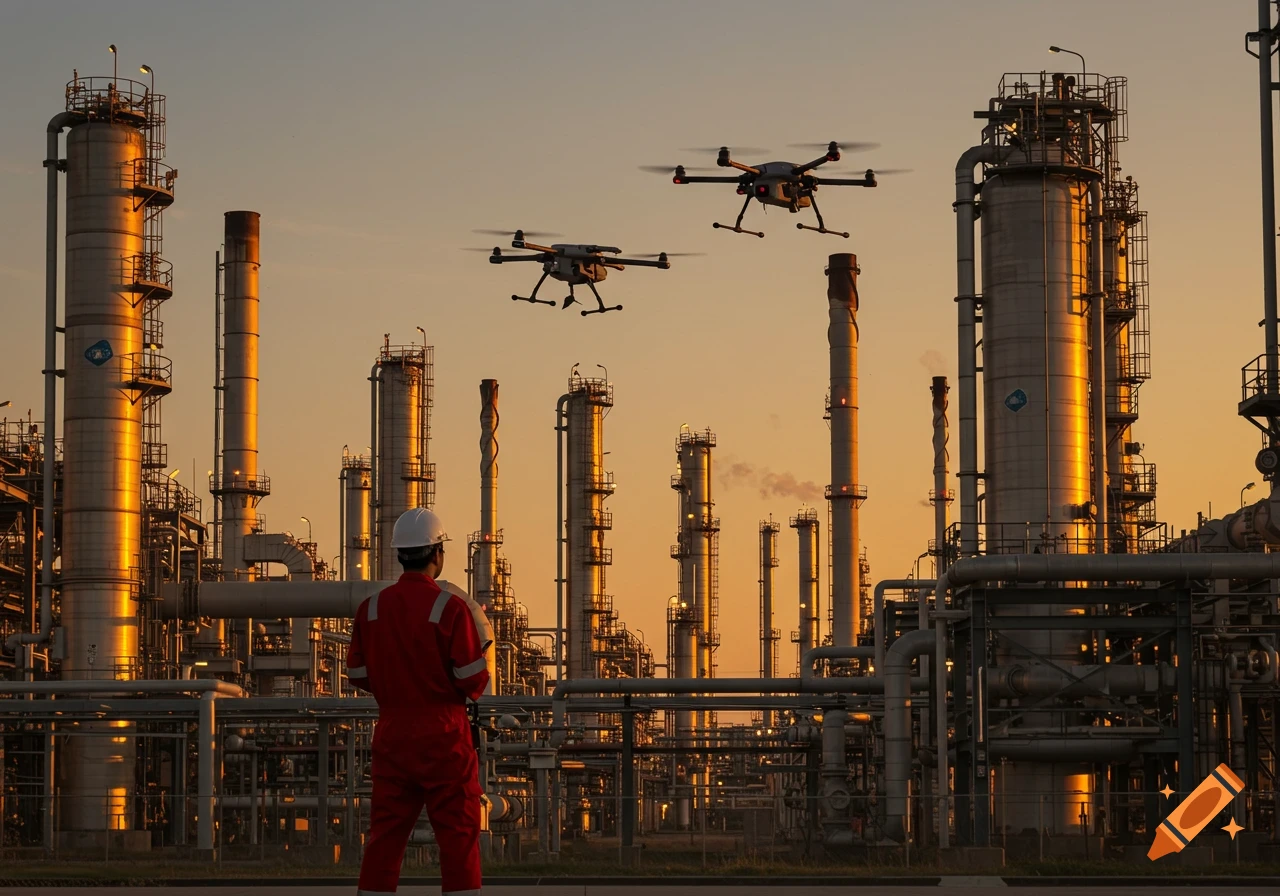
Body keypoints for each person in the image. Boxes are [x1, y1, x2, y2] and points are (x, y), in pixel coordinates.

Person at [347, 508, 490, 896]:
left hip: (392, 734)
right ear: (437, 554)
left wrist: (394, 688)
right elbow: (471, 679)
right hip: (444, 734)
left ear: (399, 554)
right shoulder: (451, 607)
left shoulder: (371, 609)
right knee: (458, 836)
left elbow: (357, 675)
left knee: (386, 835)